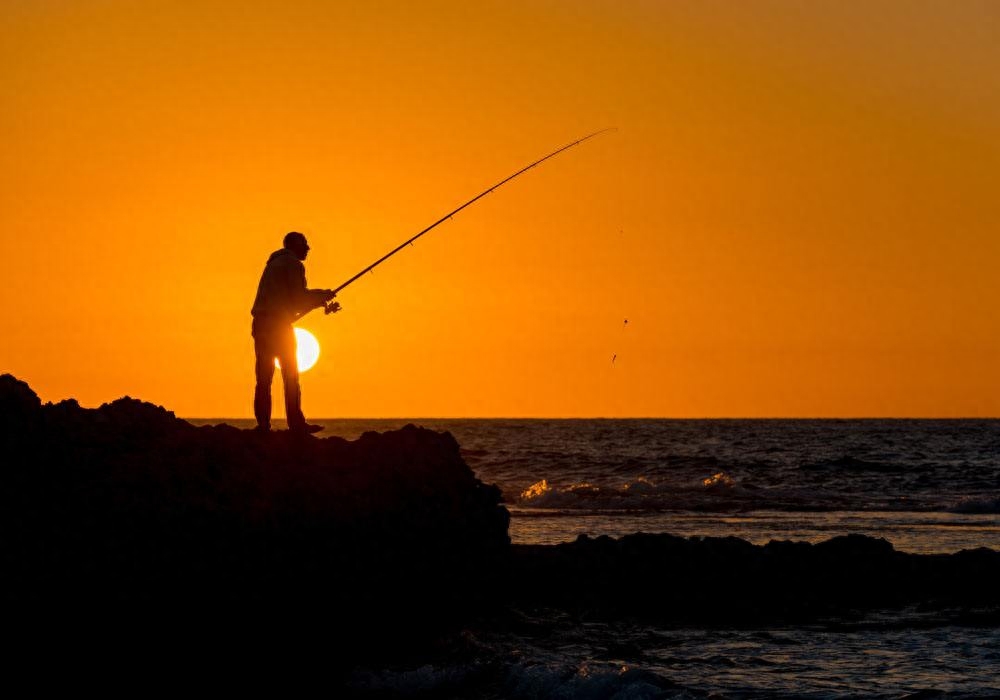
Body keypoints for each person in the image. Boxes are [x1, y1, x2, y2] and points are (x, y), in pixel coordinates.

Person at [251, 231, 339, 434]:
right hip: (278, 326)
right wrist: (322, 295)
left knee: (263, 378)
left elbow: (291, 300)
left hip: (261, 324)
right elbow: (299, 298)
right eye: (305, 244)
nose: (308, 248)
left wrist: (320, 299)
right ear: (294, 246)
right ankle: (296, 425)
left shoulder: (274, 263)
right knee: (291, 375)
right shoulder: (293, 264)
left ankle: (263, 426)